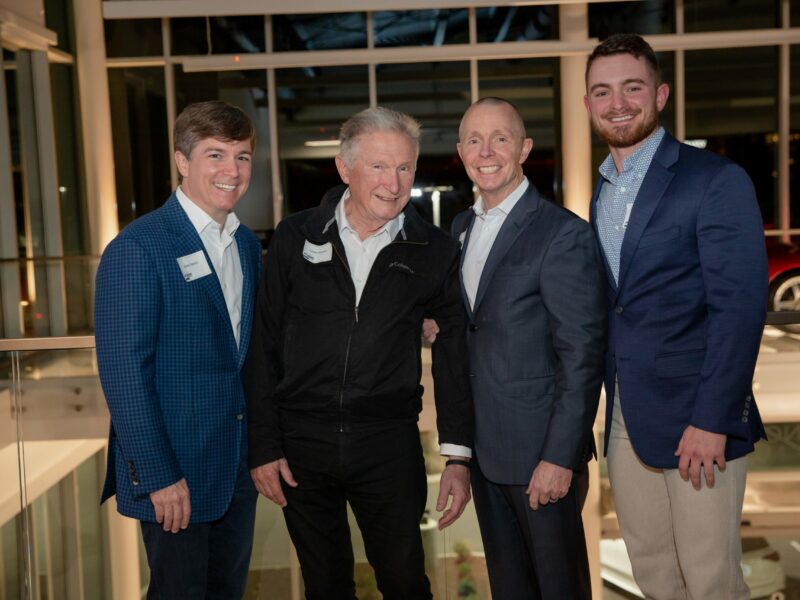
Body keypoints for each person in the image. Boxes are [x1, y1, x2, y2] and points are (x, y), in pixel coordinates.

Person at [244, 106, 473, 600]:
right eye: (378, 167)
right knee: (324, 586)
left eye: (405, 167)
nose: (394, 183)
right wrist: (264, 445)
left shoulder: (432, 250)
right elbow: (263, 344)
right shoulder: (295, 236)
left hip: (387, 445)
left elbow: (454, 356)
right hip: (301, 445)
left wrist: (457, 456)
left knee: (406, 583)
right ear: (345, 169)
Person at [584, 33, 768, 599]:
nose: (618, 103)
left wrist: (712, 419)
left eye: (632, 87)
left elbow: (739, 309)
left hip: (698, 418)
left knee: (711, 579)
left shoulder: (712, 179)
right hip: (626, 419)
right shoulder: (602, 191)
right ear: (588, 103)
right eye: (602, 91)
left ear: (660, 94)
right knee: (655, 575)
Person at [95, 101, 262, 598]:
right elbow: (124, 375)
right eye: (215, 155)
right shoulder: (138, 248)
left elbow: (245, 359)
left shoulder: (247, 246)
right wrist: (158, 475)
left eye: (242, 157)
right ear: (183, 162)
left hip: (234, 471)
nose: (231, 171)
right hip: (175, 477)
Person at [448, 97, 606, 599]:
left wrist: (559, 457)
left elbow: (582, 355)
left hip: (542, 458)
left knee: (560, 590)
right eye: (474, 140)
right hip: (487, 456)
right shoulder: (461, 228)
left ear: (524, 148)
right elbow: (475, 323)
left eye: (500, 138)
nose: (486, 150)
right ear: (459, 152)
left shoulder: (561, 234)